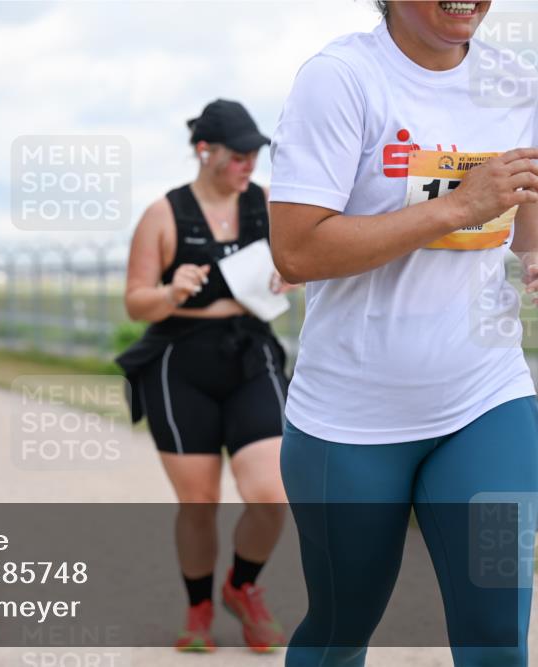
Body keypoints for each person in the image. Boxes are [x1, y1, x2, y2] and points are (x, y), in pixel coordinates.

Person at [269, 2, 538, 665]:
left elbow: (526, 225)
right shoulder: (341, 79)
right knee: (339, 630)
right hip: (350, 420)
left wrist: (533, 256)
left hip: (486, 394)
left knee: (499, 636)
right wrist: (454, 206)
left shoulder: (518, 84)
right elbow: (297, 252)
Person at [116, 99, 295, 653]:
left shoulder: (265, 203)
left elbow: (301, 258)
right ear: (205, 151)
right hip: (179, 361)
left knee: (272, 496)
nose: (248, 164)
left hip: (250, 354)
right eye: (239, 155)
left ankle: (242, 588)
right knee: (200, 503)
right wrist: (169, 292)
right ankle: (198, 610)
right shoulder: (163, 215)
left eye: (254, 155)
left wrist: (291, 274)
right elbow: (135, 303)